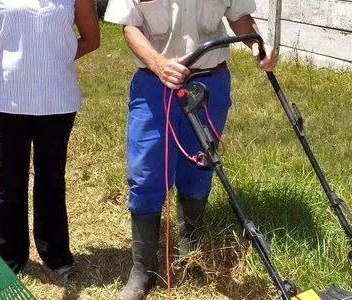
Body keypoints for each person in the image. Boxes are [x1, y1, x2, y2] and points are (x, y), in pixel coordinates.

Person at [103, 1, 278, 298]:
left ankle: (190, 254)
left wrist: (258, 44)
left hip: (210, 83)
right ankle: (142, 269)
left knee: (200, 166)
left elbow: (240, 18)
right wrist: (158, 63)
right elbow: (130, 27)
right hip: (154, 85)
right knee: (146, 172)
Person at [0, 0, 100, 282]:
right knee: (8, 182)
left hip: (58, 101)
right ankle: (8, 259)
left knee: (52, 181)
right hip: (3, 100)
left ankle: (56, 255)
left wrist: (55, 57)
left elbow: (92, 39)